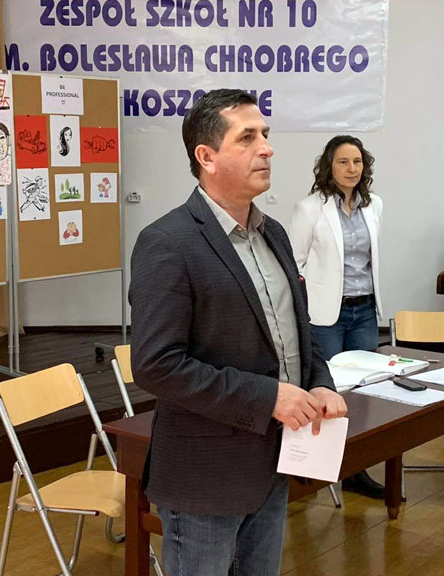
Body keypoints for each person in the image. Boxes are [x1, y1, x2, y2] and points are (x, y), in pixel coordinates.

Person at [129, 89, 347, 576]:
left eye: (265, 135)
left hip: (273, 462)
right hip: (205, 476)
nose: (267, 148)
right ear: (206, 157)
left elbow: (296, 332)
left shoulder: (274, 234)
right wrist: (268, 398)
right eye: (247, 138)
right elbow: (156, 365)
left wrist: (319, 383)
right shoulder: (167, 242)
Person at [289, 135, 385, 500]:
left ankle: (355, 470)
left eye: (357, 161)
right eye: (343, 161)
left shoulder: (374, 205)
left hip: (364, 310)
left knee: (362, 392)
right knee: (326, 390)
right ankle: (311, 469)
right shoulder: (309, 208)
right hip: (326, 314)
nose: (351, 168)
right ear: (329, 166)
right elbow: (294, 265)